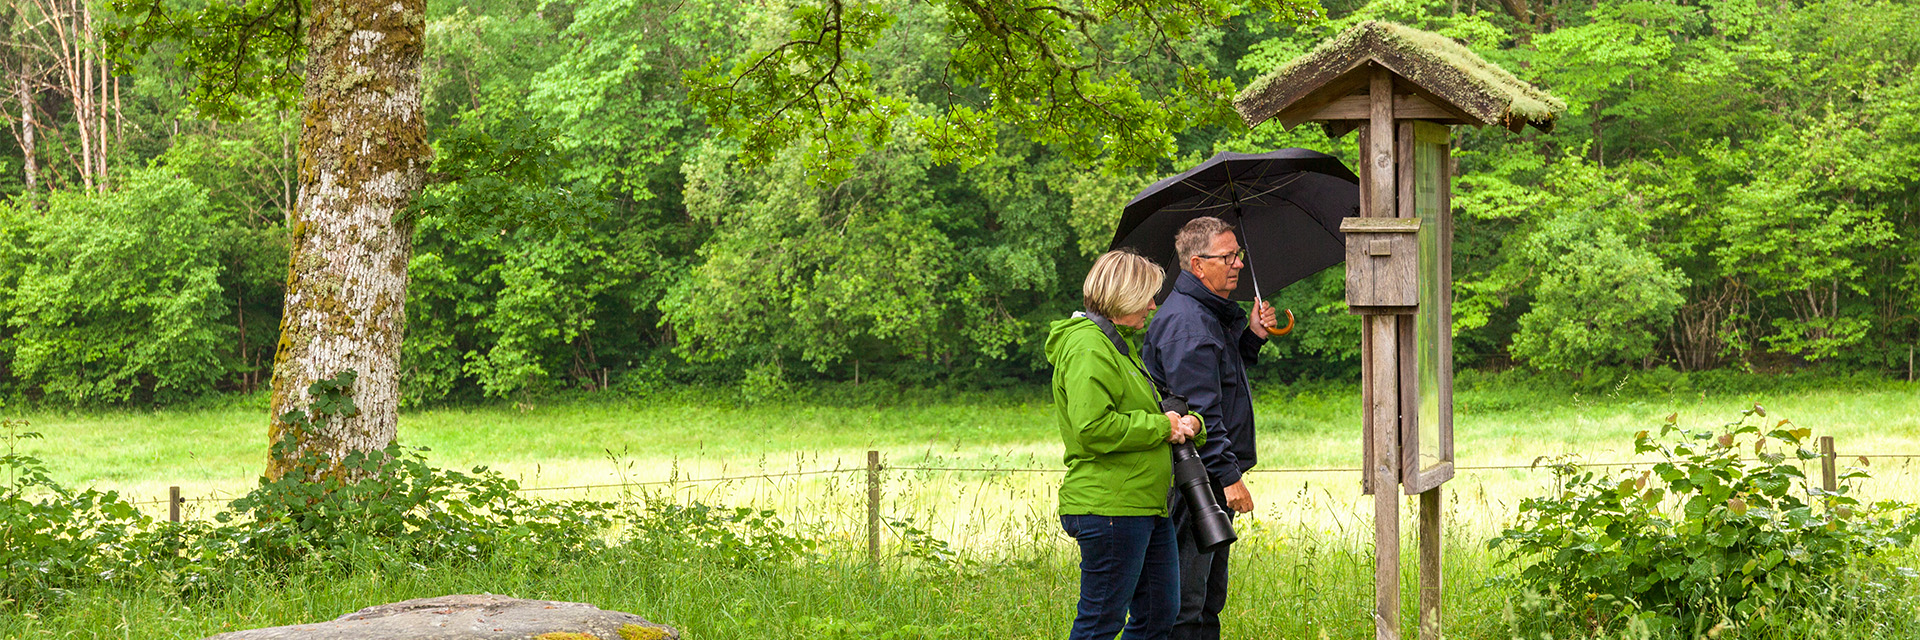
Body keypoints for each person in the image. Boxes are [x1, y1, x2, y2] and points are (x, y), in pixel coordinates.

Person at [1046, 249, 1202, 640]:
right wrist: (1161, 427)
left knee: (1157, 615)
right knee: (1100, 623)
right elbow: (1092, 428)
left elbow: (1140, 412)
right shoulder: (1088, 347)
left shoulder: (1117, 344)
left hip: (1145, 504)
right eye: (1147, 296)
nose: (1153, 306)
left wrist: (1183, 422)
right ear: (1123, 295)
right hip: (1111, 506)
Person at [1141, 216, 1279, 640]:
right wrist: (1228, 476)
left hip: (1204, 475)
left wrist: (1252, 336)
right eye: (1227, 257)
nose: (1238, 263)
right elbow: (1200, 413)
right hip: (1193, 480)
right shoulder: (1187, 324)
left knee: (1207, 598)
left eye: (1238, 254)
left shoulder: (1206, 314)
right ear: (1198, 265)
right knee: (1187, 601)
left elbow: (1221, 375)